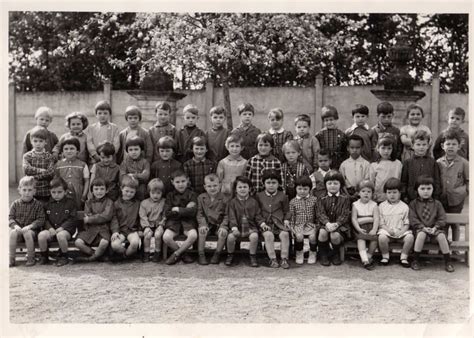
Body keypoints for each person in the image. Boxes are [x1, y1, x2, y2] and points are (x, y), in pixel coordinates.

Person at [409, 175, 454, 272]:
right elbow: (413, 219)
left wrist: (435, 227)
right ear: (417, 189)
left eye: (429, 188)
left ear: (433, 189)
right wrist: (422, 227)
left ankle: (448, 261)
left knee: (442, 236)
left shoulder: (437, 204)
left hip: (435, 231)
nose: (426, 191)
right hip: (420, 231)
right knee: (421, 234)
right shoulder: (413, 204)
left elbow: (442, 218)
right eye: (422, 188)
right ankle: (416, 260)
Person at [436, 129, 469, 243]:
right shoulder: (438, 162)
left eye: (454, 144)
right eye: (448, 144)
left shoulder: (464, 163)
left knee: (455, 224)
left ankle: (455, 248)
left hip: (456, 199)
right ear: (442, 146)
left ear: (459, 146)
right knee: (443, 223)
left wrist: (463, 192)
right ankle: (443, 247)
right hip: (442, 198)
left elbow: (469, 181)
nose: (451, 147)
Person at [225, 176, 264, 267]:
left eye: (245, 187)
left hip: (250, 227)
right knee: (230, 237)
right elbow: (231, 217)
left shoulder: (254, 202)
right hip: (237, 227)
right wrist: (234, 228)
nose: (242, 189)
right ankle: (230, 255)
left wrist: (262, 223)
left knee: (254, 236)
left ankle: (252, 256)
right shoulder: (232, 202)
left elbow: (258, 215)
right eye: (240, 187)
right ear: (235, 189)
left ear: (249, 188)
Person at [255, 169, 291, 269]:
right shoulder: (259, 196)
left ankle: (284, 258)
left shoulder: (282, 196)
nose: (271, 185)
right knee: (268, 235)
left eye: (274, 183)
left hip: (279, 223)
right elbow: (257, 212)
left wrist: (286, 219)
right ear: (264, 184)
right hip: (266, 224)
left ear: (278, 184)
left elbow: (287, 210)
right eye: (268, 183)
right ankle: (272, 258)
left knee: (285, 234)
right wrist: (262, 223)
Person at [38, 177, 78, 266]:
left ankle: (64, 256)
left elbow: (72, 219)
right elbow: (44, 219)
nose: (56, 195)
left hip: (65, 231)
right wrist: (50, 228)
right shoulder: (47, 204)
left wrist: (62, 227)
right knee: (41, 235)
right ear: (50, 192)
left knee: (61, 235)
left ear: (65, 191)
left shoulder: (70, 203)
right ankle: (44, 256)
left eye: (59, 192)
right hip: (51, 230)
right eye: (53, 192)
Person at [316, 170, 352, 266]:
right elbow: (320, 213)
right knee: (323, 232)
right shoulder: (321, 198)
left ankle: (335, 253)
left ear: (341, 184)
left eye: (336, 183)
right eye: (330, 183)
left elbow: (345, 214)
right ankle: (323, 254)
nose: (332, 185)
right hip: (325, 224)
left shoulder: (345, 198)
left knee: (334, 235)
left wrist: (336, 224)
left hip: (340, 226)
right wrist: (327, 223)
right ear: (325, 184)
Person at [163, 170, 199, 265]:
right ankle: (183, 254)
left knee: (193, 235)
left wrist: (178, 209)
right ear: (172, 182)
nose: (180, 184)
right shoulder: (170, 195)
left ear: (187, 180)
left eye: (183, 181)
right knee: (166, 237)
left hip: (188, 222)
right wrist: (185, 210)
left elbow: (193, 212)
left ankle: (176, 254)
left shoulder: (192, 194)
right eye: (177, 182)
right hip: (174, 223)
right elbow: (167, 213)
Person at [75, 178, 114, 262]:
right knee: (78, 242)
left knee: (104, 242)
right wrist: (94, 218)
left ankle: (91, 259)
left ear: (106, 190)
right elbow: (87, 214)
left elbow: (106, 216)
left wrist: (90, 219)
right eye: (96, 189)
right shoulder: (88, 202)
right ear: (92, 190)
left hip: (104, 230)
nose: (99, 191)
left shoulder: (109, 202)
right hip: (90, 230)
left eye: (102, 189)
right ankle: (97, 255)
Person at [9, 176, 45, 267]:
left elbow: (41, 220)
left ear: (34, 191)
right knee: (12, 233)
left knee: (27, 233)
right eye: (24, 190)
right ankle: (11, 258)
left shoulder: (38, 205)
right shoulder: (15, 204)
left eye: (29, 190)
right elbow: (10, 218)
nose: (27, 193)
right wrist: (15, 226)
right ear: (19, 190)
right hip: (18, 231)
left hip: (32, 232)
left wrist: (30, 226)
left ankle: (31, 257)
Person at [377, 178, 414, 267]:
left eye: (394, 192)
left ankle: (403, 257)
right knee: (382, 238)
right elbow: (381, 222)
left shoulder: (404, 206)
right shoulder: (381, 206)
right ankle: (385, 256)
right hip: (387, 231)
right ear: (385, 193)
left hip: (401, 231)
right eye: (389, 193)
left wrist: (401, 231)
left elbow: (406, 223)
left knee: (410, 237)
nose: (392, 195)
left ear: (400, 193)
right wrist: (388, 230)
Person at [196, 174, 228, 265]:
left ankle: (217, 254)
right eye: (209, 186)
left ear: (220, 185)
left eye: (215, 185)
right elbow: (200, 213)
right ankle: (201, 254)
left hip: (219, 223)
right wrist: (202, 224)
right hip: (207, 223)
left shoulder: (224, 198)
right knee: (202, 231)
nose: (212, 188)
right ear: (205, 187)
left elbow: (226, 215)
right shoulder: (201, 197)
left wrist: (223, 226)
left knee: (223, 233)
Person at [401, 130, 441, 203]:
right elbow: (404, 182)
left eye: (424, 144)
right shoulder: (408, 163)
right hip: (412, 199)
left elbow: (437, 181)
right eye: (418, 144)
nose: (421, 147)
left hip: (430, 198)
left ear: (428, 146)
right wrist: (405, 196)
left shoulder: (433, 162)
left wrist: (436, 197)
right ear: (412, 146)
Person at [110, 175, 141, 260]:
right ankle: (126, 253)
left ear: (135, 192)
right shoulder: (116, 204)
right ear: (121, 188)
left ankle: (125, 256)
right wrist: (115, 231)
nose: (129, 194)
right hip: (121, 231)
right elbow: (114, 218)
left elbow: (140, 217)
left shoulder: (137, 203)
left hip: (132, 230)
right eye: (126, 191)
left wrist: (140, 229)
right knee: (115, 245)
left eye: (132, 192)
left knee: (135, 242)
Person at [289, 176, 318, 265]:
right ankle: (299, 253)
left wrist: (317, 225)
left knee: (312, 237)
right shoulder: (293, 201)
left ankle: (313, 252)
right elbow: (292, 216)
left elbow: (317, 213)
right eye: (300, 189)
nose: (302, 191)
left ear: (310, 189)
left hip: (311, 224)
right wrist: (292, 227)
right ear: (296, 188)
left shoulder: (314, 200)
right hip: (298, 225)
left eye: (305, 189)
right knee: (299, 236)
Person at [22, 126, 56, 203]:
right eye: (35, 141)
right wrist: (40, 170)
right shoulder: (27, 156)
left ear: (45, 142)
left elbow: (50, 172)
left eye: (41, 141)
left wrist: (34, 177)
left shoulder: (49, 156)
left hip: (45, 191)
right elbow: (27, 169)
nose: (38, 144)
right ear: (31, 141)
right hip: (31, 190)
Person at [54, 137, 90, 209]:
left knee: (77, 210)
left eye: (72, 148)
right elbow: (55, 181)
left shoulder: (82, 165)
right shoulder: (58, 165)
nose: (69, 151)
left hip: (78, 193)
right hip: (63, 193)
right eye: (66, 149)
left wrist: (84, 195)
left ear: (77, 151)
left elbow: (86, 181)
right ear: (62, 152)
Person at [351, 180, 379, 270]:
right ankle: (365, 260)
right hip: (360, 228)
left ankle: (369, 256)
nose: (366, 194)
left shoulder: (374, 205)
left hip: (371, 227)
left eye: (369, 192)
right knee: (361, 239)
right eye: (363, 191)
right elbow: (354, 219)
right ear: (358, 193)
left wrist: (374, 229)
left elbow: (376, 218)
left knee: (374, 240)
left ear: (372, 193)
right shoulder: (355, 205)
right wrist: (358, 229)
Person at [85, 100, 120, 165]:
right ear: (96, 115)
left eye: (105, 113)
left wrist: (109, 155)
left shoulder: (114, 128)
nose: (102, 116)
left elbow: (116, 143)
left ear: (109, 114)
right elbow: (89, 143)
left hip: (110, 158)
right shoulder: (91, 128)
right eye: (100, 113)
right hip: (95, 159)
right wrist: (95, 155)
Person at [139, 178, 166, 262]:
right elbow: (142, 216)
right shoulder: (144, 203)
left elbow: (165, 215)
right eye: (153, 193)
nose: (155, 195)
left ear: (162, 193)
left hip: (159, 225)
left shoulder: (164, 202)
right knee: (147, 235)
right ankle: (146, 253)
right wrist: (146, 226)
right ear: (149, 192)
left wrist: (161, 225)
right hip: (148, 224)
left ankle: (157, 252)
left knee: (158, 235)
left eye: (158, 193)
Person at [369, 137, 403, 203]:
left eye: (389, 148)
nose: (386, 151)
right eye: (383, 148)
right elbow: (371, 182)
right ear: (378, 149)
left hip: (394, 196)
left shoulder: (397, 164)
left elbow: (399, 179)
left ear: (393, 149)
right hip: (379, 197)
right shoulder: (374, 165)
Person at [315, 105, 348, 170]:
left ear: (336, 119)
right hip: (324, 162)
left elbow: (345, 151)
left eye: (331, 119)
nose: (329, 122)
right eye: (326, 120)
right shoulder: (320, 134)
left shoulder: (342, 134)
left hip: (338, 162)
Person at [216, 134, 248, 199]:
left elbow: (246, 179)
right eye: (232, 146)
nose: (234, 149)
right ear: (227, 147)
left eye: (237, 146)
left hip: (239, 192)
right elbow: (219, 179)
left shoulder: (245, 162)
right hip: (225, 192)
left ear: (241, 148)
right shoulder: (223, 162)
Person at [119, 136, 150, 201]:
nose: (133, 152)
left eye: (136, 149)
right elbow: (122, 176)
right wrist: (131, 181)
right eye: (130, 150)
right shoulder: (125, 162)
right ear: (127, 151)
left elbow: (146, 176)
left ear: (141, 150)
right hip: (128, 188)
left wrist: (133, 175)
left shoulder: (145, 162)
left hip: (141, 189)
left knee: (142, 190)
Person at [339, 134, 371, 199]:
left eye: (357, 148)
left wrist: (359, 191)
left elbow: (367, 179)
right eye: (352, 147)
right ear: (348, 148)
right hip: (347, 193)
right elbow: (342, 181)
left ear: (362, 148)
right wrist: (347, 194)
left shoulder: (366, 164)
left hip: (363, 193)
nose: (355, 150)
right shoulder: (344, 164)